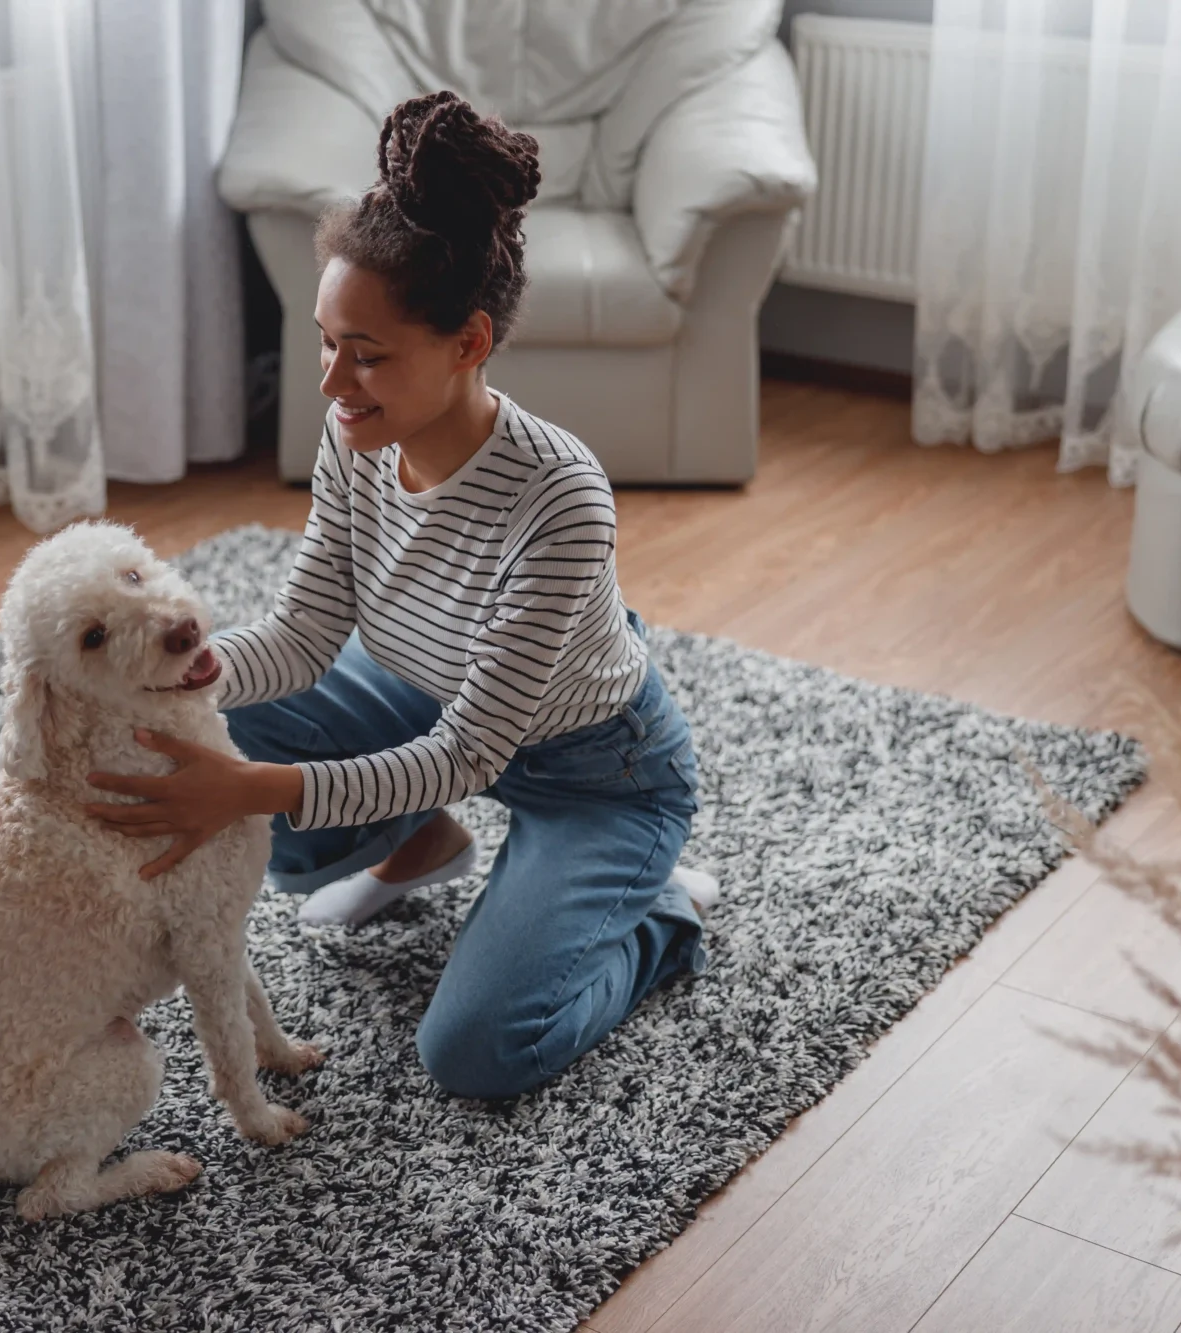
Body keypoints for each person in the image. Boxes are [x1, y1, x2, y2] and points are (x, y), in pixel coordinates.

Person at [86, 90, 714, 1101]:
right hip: (429, 688)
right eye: (330, 341)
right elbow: (297, 637)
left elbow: (468, 754)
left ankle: (648, 912)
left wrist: (251, 790)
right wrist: (166, 676)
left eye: (368, 354)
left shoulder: (559, 496)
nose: (333, 381)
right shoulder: (355, 435)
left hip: (598, 771)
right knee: (208, 716)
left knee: (473, 1054)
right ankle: (425, 841)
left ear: (468, 342)